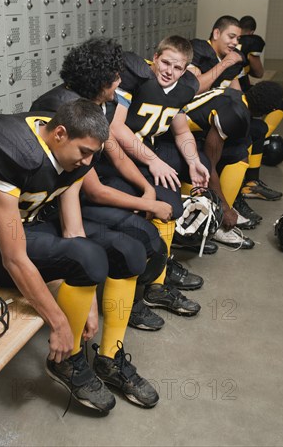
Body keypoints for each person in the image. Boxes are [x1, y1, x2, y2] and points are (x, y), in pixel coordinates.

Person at [0, 99, 158, 412]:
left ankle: (109, 358)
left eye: (94, 154)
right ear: (60, 134)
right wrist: (60, 324)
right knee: (88, 258)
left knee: (128, 251)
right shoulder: (10, 150)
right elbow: (13, 257)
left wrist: (90, 299)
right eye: (84, 152)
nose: (89, 162)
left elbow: (72, 227)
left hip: (35, 226)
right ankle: (68, 360)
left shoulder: (74, 145)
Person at [30, 38, 203, 330]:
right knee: (134, 245)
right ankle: (127, 307)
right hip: (51, 208)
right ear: (100, 82)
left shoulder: (95, 104)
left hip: (75, 197)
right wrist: (147, 203)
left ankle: (139, 297)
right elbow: (93, 189)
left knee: (150, 240)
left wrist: (147, 188)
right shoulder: (65, 110)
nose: (119, 87)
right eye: (115, 80)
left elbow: (117, 154)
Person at [108, 35, 211, 312]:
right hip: (117, 156)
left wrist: (192, 162)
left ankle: (160, 271)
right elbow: (115, 128)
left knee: (201, 162)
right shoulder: (136, 78)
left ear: (186, 69)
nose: (169, 72)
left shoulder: (185, 86)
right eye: (165, 63)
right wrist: (153, 161)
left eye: (178, 68)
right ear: (155, 57)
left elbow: (181, 130)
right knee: (169, 205)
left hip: (148, 149)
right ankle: (154, 281)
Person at [176, 81, 283, 248]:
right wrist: (225, 209)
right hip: (173, 139)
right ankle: (216, 220)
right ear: (269, 110)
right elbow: (209, 166)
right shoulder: (235, 114)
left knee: (241, 150)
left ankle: (225, 207)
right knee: (214, 161)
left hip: (190, 134)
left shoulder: (237, 97)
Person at [234, 15, 283, 207]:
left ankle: (251, 177)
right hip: (235, 100)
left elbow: (255, 74)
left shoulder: (233, 48)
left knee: (262, 120)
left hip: (237, 95)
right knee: (257, 126)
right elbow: (259, 73)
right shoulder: (244, 47)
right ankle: (249, 181)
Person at [189, 15, 247, 94]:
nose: (235, 42)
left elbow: (237, 93)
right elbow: (193, 88)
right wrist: (225, 63)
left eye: (238, 39)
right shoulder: (197, 50)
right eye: (231, 37)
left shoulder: (233, 55)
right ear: (216, 34)